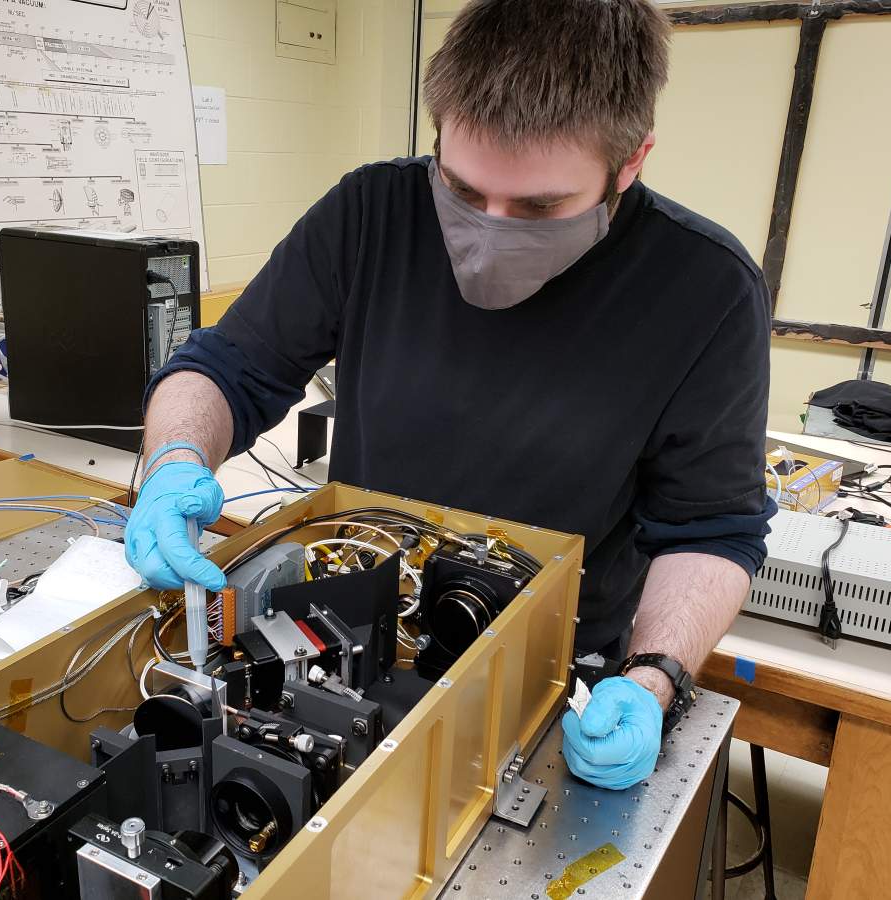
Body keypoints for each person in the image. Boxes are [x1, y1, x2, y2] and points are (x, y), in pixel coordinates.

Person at [124, 0, 774, 791]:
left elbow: (712, 529)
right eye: (462, 191)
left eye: (540, 208)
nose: (490, 231)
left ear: (630, 163)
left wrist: (654, 678)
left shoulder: (706, 290)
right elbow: (226, 367)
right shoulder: (370, 213)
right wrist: (176, 457)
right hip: (344, 641)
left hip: (548, 678)